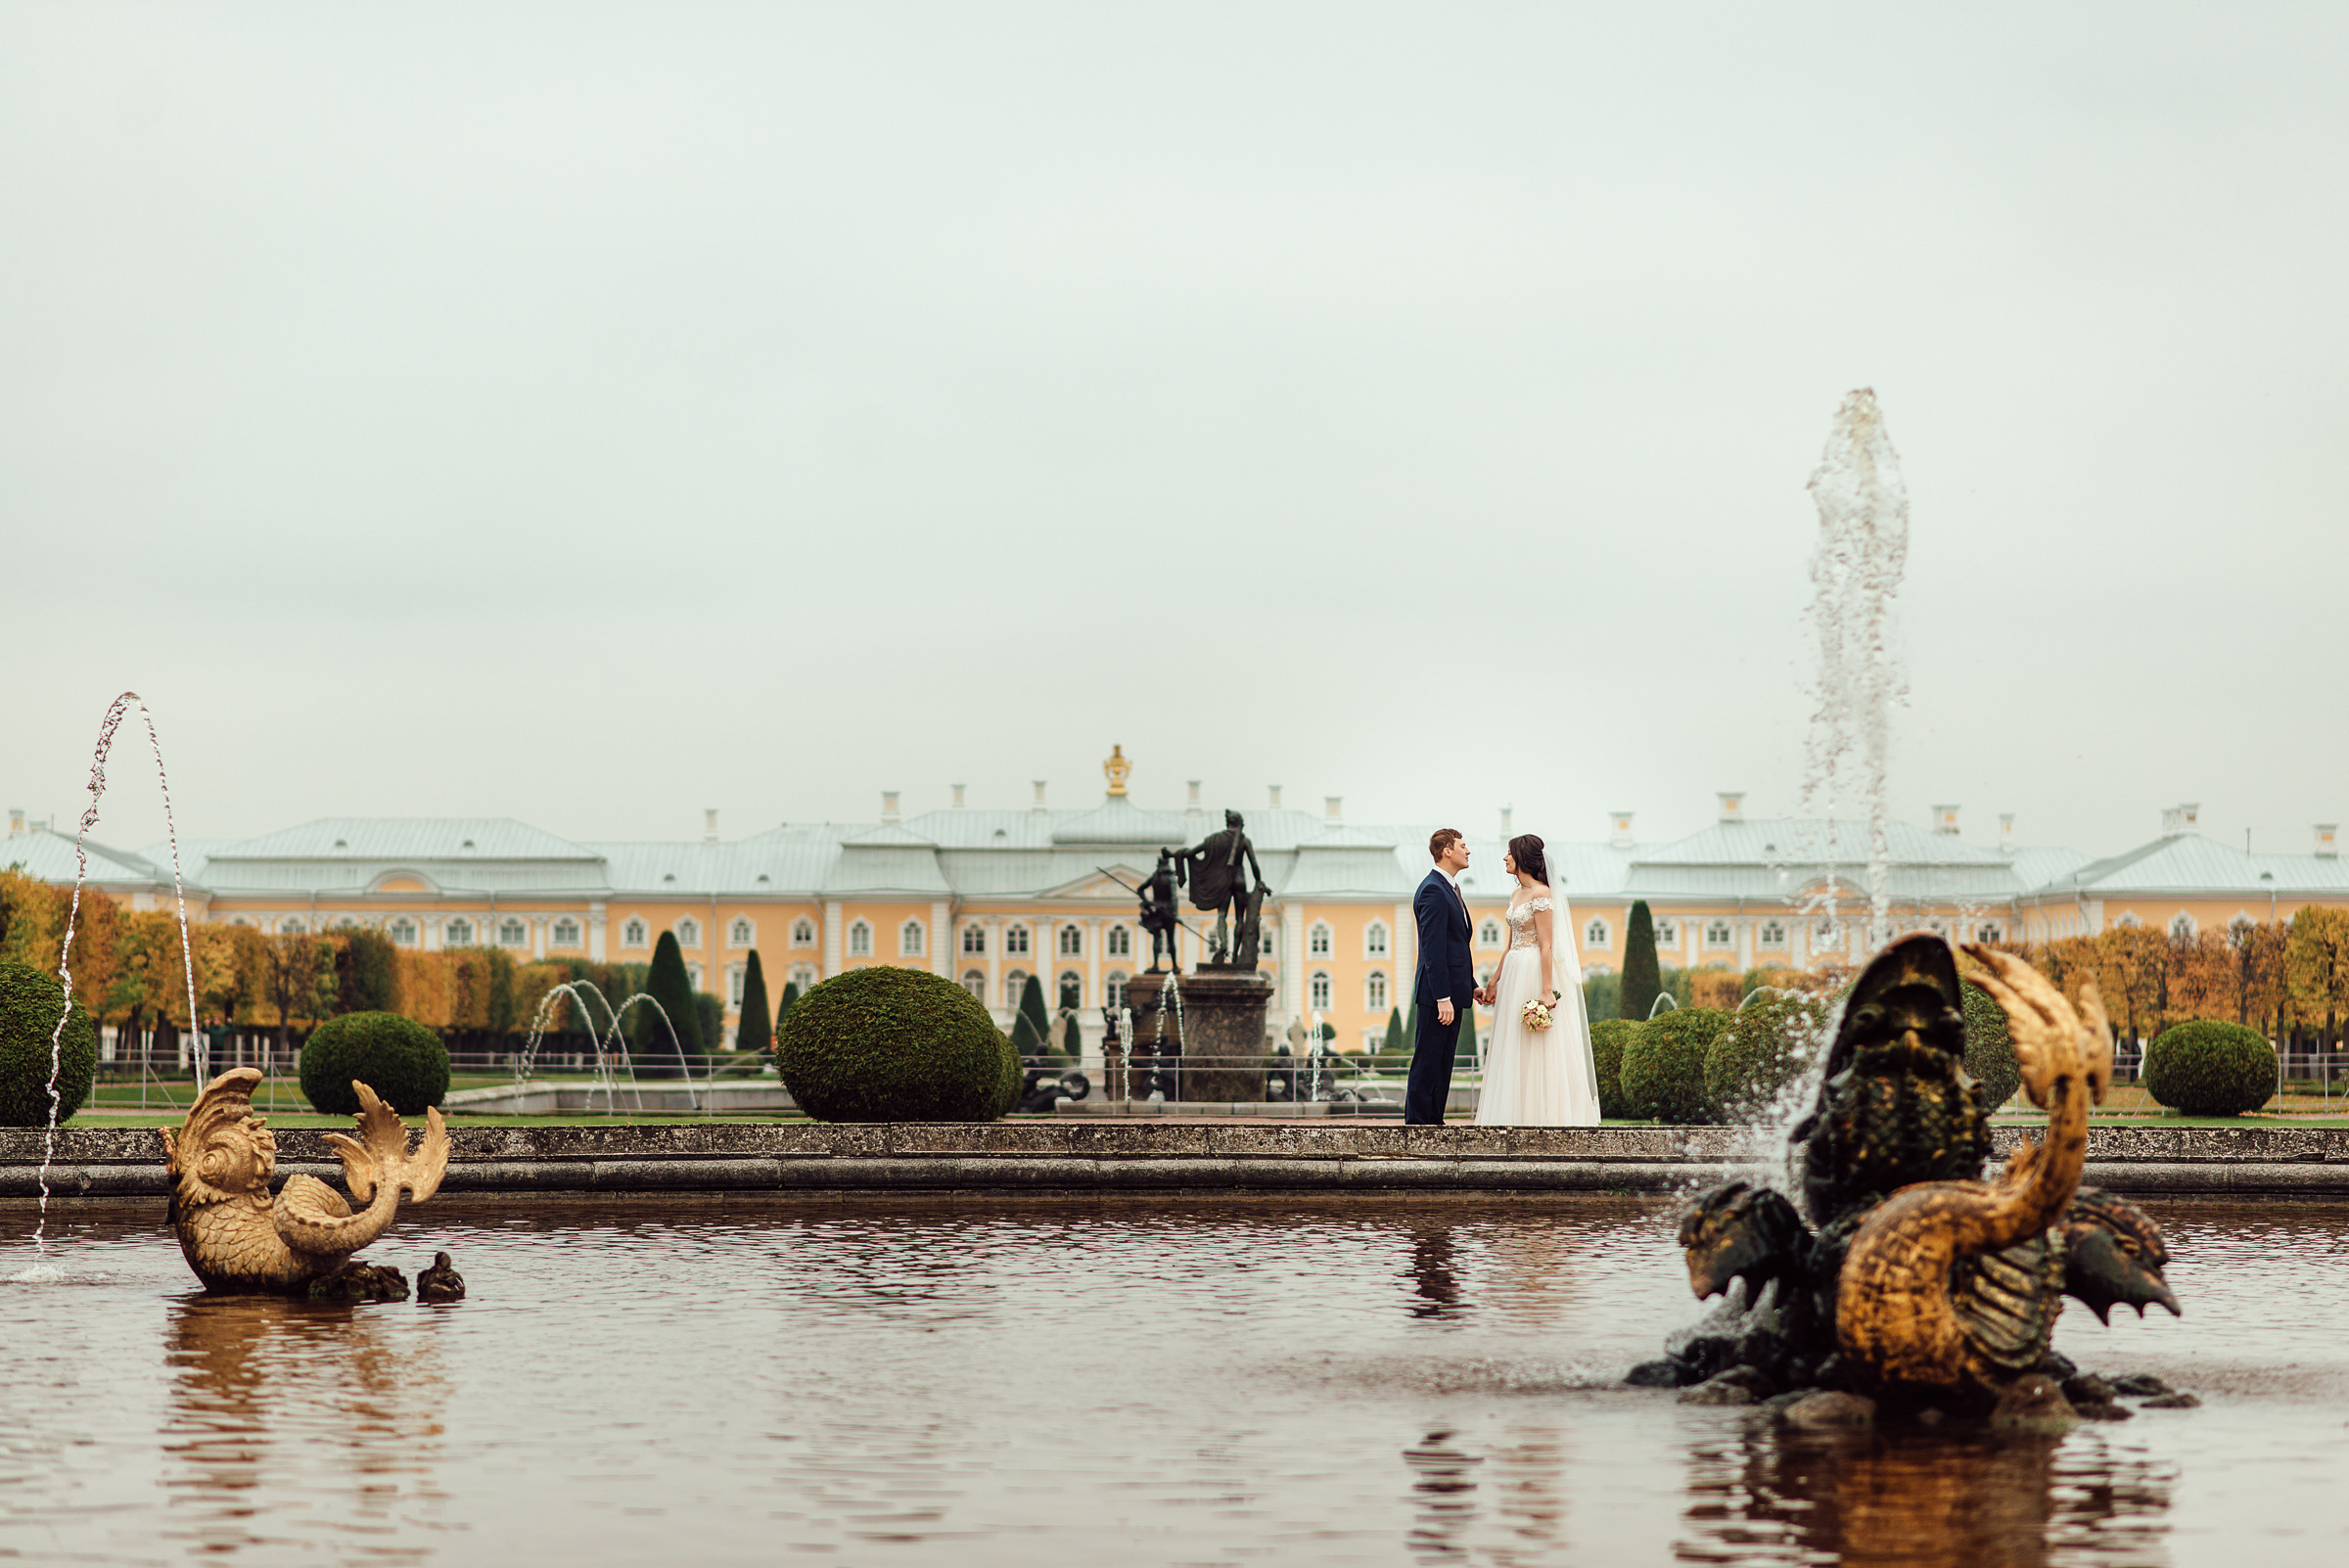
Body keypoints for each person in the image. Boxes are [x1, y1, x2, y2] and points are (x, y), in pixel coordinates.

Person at [1473, 833, 1601, 1126]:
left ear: (1522, 858)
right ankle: (1512, 1112)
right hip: (1514, 969)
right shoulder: (1516, 894)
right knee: (1512, 1040)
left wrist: (1546, 991)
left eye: (1509, 853)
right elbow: (1510, 944)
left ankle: (1541, 1113)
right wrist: (1494, 981)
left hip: (1533, 970)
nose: (1504, 858)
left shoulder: (1542, 894)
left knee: (1536, 1041)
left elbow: (1546, 945)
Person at [1405, 828, 1477, 1124]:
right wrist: (1442, 998)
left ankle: (1434, 1122)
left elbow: (1455, 946)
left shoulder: (1450, 888)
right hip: (1438, 996)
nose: (1468, 850)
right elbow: (1432, 950)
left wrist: (1471, 987)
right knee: (1428, 1061)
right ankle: (1418, 1125)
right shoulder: (1433, 889)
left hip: (1451, 992)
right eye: (1463, 845)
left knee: (1443, 1062)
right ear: (1447, 850)